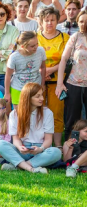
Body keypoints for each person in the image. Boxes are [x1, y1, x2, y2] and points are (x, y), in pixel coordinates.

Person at [0, 83, 62, 174]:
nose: (42, 99)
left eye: (41, 95)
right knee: (0, 144)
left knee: (56, 152)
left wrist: (40, 149)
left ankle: (20, 166)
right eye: (38, 96)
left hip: (40, 151)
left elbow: (48, 140)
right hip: (23, 150)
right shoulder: (14, 114)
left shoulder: (48, 113)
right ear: (28, 98)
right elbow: (15, 139)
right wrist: (20, 147)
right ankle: (31, 168)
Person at [39, 7, 70, 149]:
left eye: (52, 20)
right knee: (38, 112)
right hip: (38, 81)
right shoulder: (35, 36)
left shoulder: (65, 38)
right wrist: (42, 71)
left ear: (57, 21)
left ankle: (57, 145)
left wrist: (50, 69)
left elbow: (68, 59)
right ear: (41, 21)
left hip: (58, 82)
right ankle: (40, 144)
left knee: (56, 114)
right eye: (46, 20)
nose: (49, 23)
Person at [56, 10, 87, 140]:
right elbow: (63, 59)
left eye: (86, 22)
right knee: (71, 120)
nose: (84, 24)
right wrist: (59, 84)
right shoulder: (75, 37)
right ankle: (69, 150)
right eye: (81, 21)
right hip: (73, 83)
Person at [5, 31, 47, 108]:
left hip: (35, 88)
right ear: (23, 46)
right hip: (18, 88)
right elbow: (8, 75)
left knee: (35, 115)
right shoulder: (14, 57)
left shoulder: (41, 51)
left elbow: (43, 67)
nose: (36, 47)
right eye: (32, 46)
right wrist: (7, 93)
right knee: (19, 116)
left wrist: (42, 84)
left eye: (37, 44)